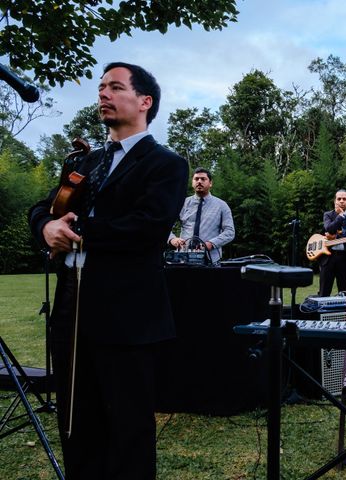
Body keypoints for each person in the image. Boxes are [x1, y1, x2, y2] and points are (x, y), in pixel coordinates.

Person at [28, 62, 188, 479]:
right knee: (75, 421)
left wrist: (79, 231)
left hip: (128, 313)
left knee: (128, 426)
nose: (103, 94)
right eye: (101, 87)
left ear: (144, 101)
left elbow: (148, 227)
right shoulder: (84, 162)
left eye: (115, 87)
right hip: (71, 306)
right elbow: (44, 209)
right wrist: (47, 227)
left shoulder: (167, 163)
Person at [168, 167, 235, 264]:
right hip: (183, 259)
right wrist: (172, 239)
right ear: (192, 183)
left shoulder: (221, 206)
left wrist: (212, 244)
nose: (199, 181)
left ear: (210, 183)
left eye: (203, 179)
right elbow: (164, 226)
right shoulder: (182, 204)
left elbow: (229, 232)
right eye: (196, 179)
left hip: (211, 260)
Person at [318, 189, 346, 296]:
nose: (342, 201)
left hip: (345, 259)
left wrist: (336, 236)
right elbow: (329, 228)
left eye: (344, 199)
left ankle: (343, 313)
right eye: (339, 199)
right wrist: (341, 216)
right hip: (328, 259)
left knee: (344, 293)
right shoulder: (327, 215)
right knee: (324, 291)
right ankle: (321, 313)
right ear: (334, 201)